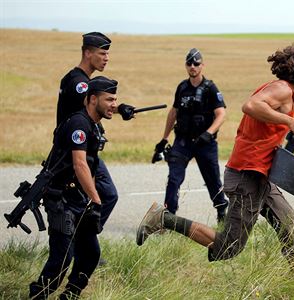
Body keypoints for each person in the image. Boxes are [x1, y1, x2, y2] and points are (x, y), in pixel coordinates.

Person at [138, 44, 294, 273]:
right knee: (229, 246)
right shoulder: (283, 90)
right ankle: (163, 219)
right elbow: (250, 105)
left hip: (261, 173)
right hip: (247, 174)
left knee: (290, 224)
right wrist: (289, 121)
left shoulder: (283, 91)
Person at [29, 76, 119, 299]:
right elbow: (79, 164)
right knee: (62, 258)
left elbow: (89, 165)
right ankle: (38, 295)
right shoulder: (78, 124)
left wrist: (90, 199)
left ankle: (70, 295)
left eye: (115, 99)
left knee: (90, 254)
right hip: (60, 199)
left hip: (77, 198)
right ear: (92, 99)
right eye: (109, 99)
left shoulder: (94, 125)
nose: (114, 104)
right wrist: (96, 200)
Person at [56, 32, 135, 231]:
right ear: (88, 53)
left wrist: (119, 109)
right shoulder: (78, 82)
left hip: (81, 148)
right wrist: (119, 108)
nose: (106, 58)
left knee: (97, 197)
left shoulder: (79, 79)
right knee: (105, 195)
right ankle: (84, 242)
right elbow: (94, 102)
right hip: (73, 152)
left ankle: (84, 244)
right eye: (102, 53)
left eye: (108, 54)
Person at [152, 48, 228, 221]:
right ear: (186, 66)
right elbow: (173, 112)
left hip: (205, 143)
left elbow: (221, 114)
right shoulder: (182, 87)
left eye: (196, 63)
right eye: (189, 63)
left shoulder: (210, 88)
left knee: (213, 180)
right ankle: (168, 217)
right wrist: (164, 139)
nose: (192, 66)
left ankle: (221, 210)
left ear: (202, 66)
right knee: (174, 179)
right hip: (182, 142)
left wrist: (209, 133)